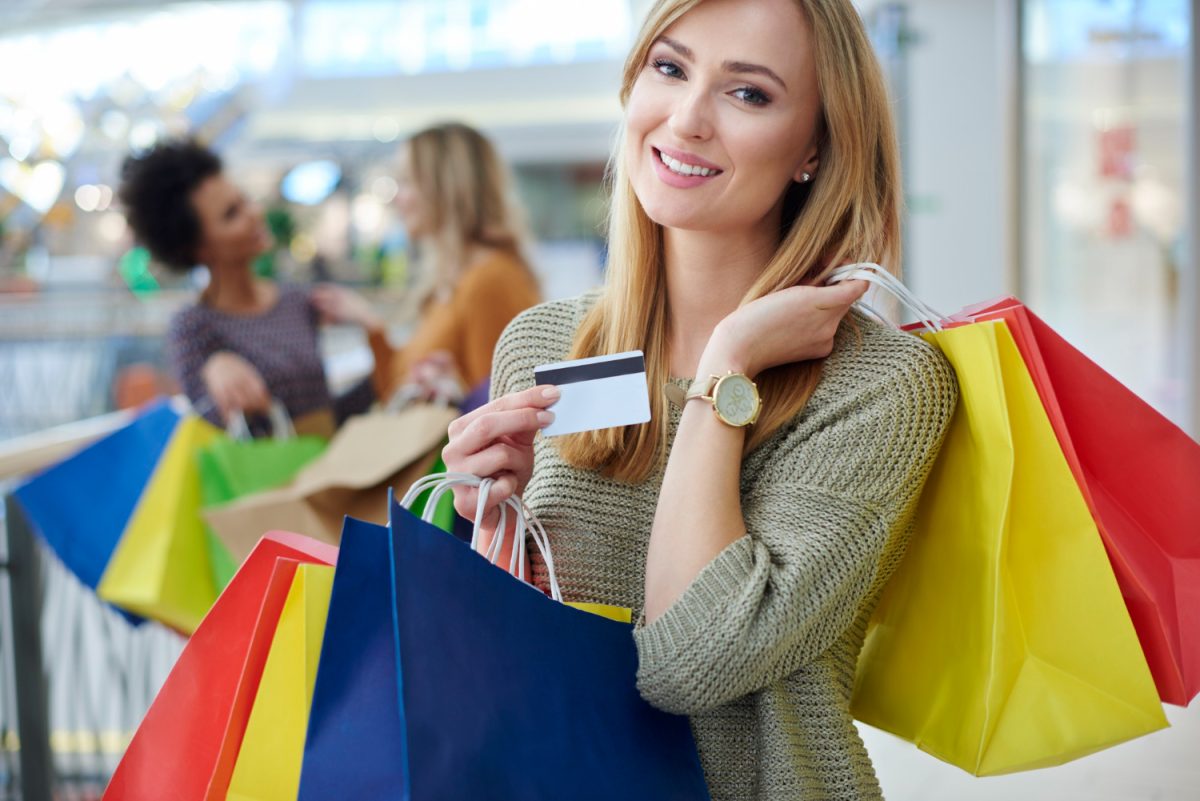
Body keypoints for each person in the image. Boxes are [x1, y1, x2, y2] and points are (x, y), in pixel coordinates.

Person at [441, 0, 958, 799]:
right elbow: (516, 652)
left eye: (747, 93)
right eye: (670, 68)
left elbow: (691, 664)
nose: (686, 120)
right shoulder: (543, 344)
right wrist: (490, 523)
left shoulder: (883, 385)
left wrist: (726, 373)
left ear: (814, 148)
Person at [119, 139, 371, 432]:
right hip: (265, 476)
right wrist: (215, 368)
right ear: (197, 248)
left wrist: (372, 329)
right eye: (231, 214)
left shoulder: (295, 301)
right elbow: (213, 427)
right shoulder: (193, 327)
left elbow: (328, 412)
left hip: (332, 470)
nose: (254, 214)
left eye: (244, 200)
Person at [312, 122, 540, 404]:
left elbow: (503, 407)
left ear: (446, 188)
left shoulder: (491, 280)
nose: (397, 198)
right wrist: (370, 325)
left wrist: (451, 390)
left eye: (407, 181)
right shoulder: (451, 280)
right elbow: (395, 390)